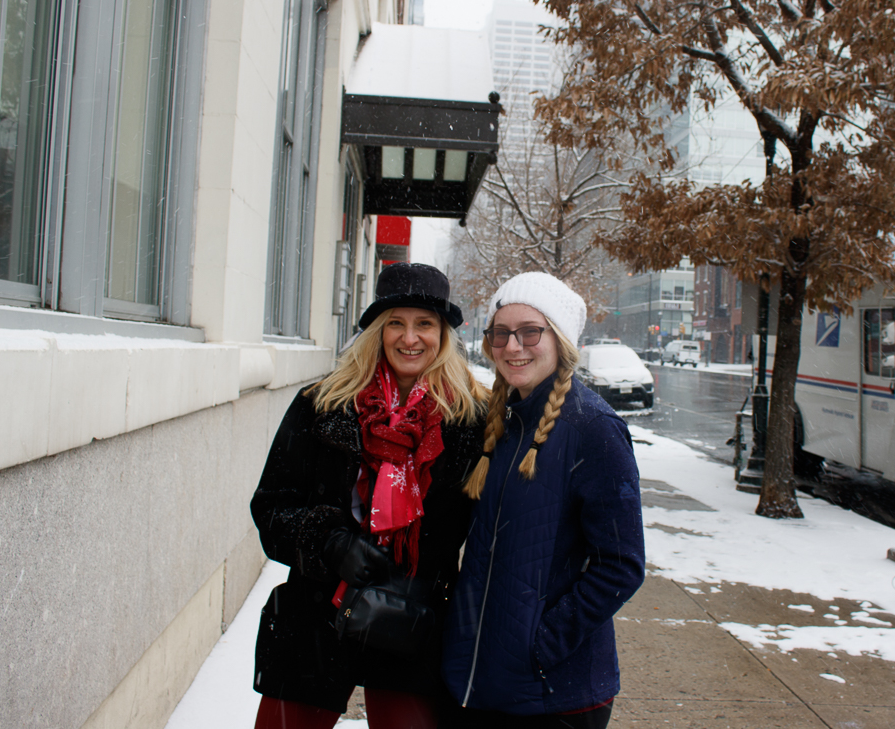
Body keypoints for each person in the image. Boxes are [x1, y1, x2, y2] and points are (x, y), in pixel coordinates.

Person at [250, 263, 487, 729]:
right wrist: (330, 543)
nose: (409, 338)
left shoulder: (470, 423)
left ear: (444, 334)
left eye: (425, 324)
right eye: (395, 322)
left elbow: (490, 529)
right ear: (377, 331)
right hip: (317, 616)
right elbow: (270, 506)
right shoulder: (321, 405)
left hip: (413, 620)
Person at [441, 273, 646, 728]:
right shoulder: (502, 423)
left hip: (557, 695)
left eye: (530, 331)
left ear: (561, 341)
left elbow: (621, 564)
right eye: (500, 333)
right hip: (480, 679)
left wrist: (540, 642)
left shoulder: (593, 428)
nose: (513, 346)